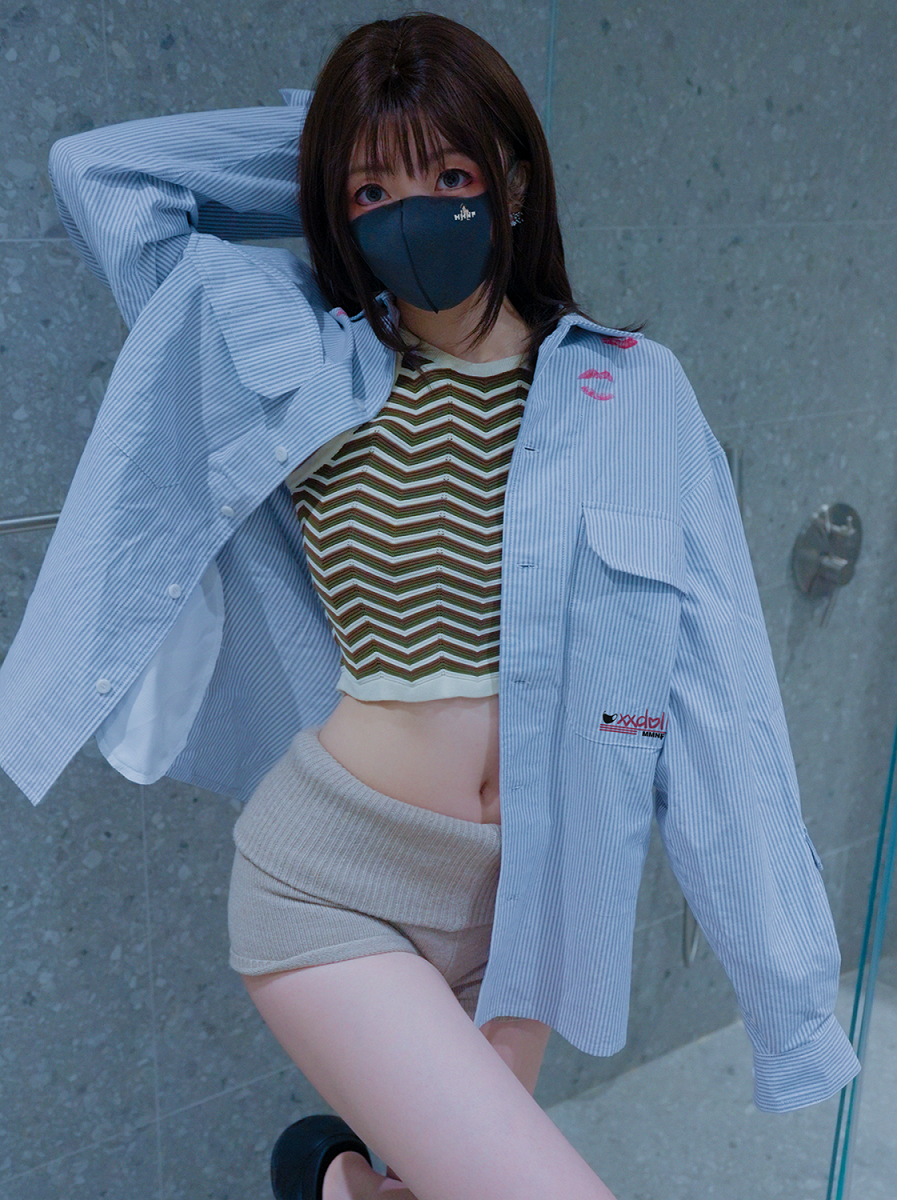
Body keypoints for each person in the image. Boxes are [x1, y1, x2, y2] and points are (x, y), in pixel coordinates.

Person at [0, 12, 860, 1200]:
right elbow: (102, 178)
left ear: (513, 181)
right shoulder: (300, 355)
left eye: (452, 178)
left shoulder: (635, 394)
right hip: (336, 882)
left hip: (531, 912)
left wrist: (788, 998)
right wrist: (343, 146)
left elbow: (726, 699)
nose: (415, 216)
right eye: (374, 195)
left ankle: (332, 1184)